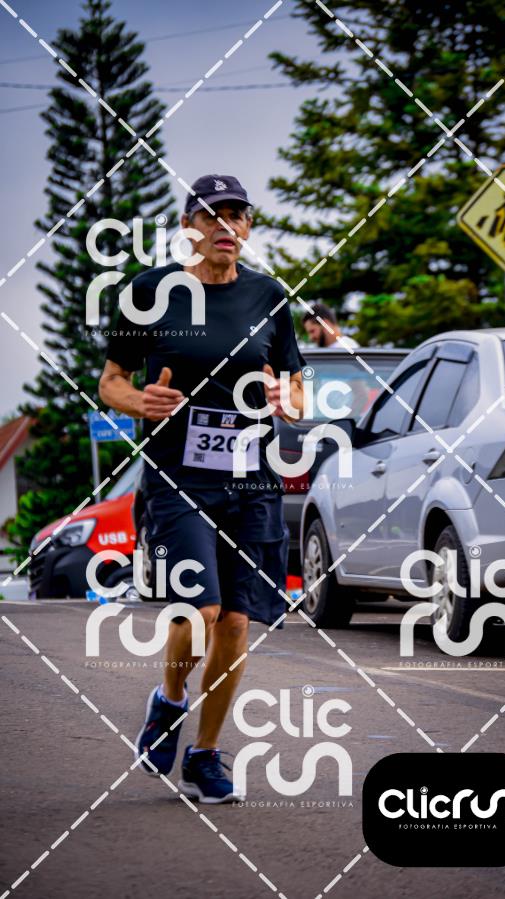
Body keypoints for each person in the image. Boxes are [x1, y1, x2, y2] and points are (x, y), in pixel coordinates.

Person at [98, 174, 305, 802]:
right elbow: (111, 380)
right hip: (178, 476)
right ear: (188, 226)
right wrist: (140, 400)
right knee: (200, 610)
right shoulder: (151, 292)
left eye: (237, 215)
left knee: (236, 624)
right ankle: (169, 701)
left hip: (252, 480)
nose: (225, 226)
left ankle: (206, 755)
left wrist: (286, 398)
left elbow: (298, 387)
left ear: (248, 227)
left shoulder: (268, 295)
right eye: (211, 215)